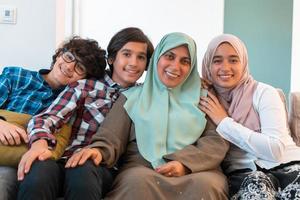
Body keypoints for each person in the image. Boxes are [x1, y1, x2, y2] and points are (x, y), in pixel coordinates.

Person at [67, 32, 230, 199]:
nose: (175, 66)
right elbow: (112, 135)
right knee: (136, 181)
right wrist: (99, 150)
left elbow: (216, 141)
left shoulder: (204, 97)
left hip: (197, 168)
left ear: (192, 66)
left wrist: (185, 164)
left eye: (185, 61)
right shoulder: (132, 96)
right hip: (144, 168)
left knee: (207, 185)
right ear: (157, 58)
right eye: (169, 56)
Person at [17, 27, 154, 200]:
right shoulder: (85, 86)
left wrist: (200, 85)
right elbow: (47, 118)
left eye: (141, 57)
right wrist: (39, 145)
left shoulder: (145, 95)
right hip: (64, 158)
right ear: (112, 59)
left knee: (82, 170)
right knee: (38, 170)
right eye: (126, 54)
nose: (134, 63)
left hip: (100, 167)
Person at [0, 36, 105, 200]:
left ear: (85, 79)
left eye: (80, 68)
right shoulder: (16, 75)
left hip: (19, 161)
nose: (69, 67)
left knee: (3, 182)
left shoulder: (72, 102)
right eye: (69, 57)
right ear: (58, 55)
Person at [199, 33, 300, 199]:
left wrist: (224, 122)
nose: (225, 67)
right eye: (217, 60)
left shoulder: (264, 93)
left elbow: (275, 150)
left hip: (287, 165)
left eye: (233, 60)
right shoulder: (206, 99)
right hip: (245, 174)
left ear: (243, 63)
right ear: (207, 65)